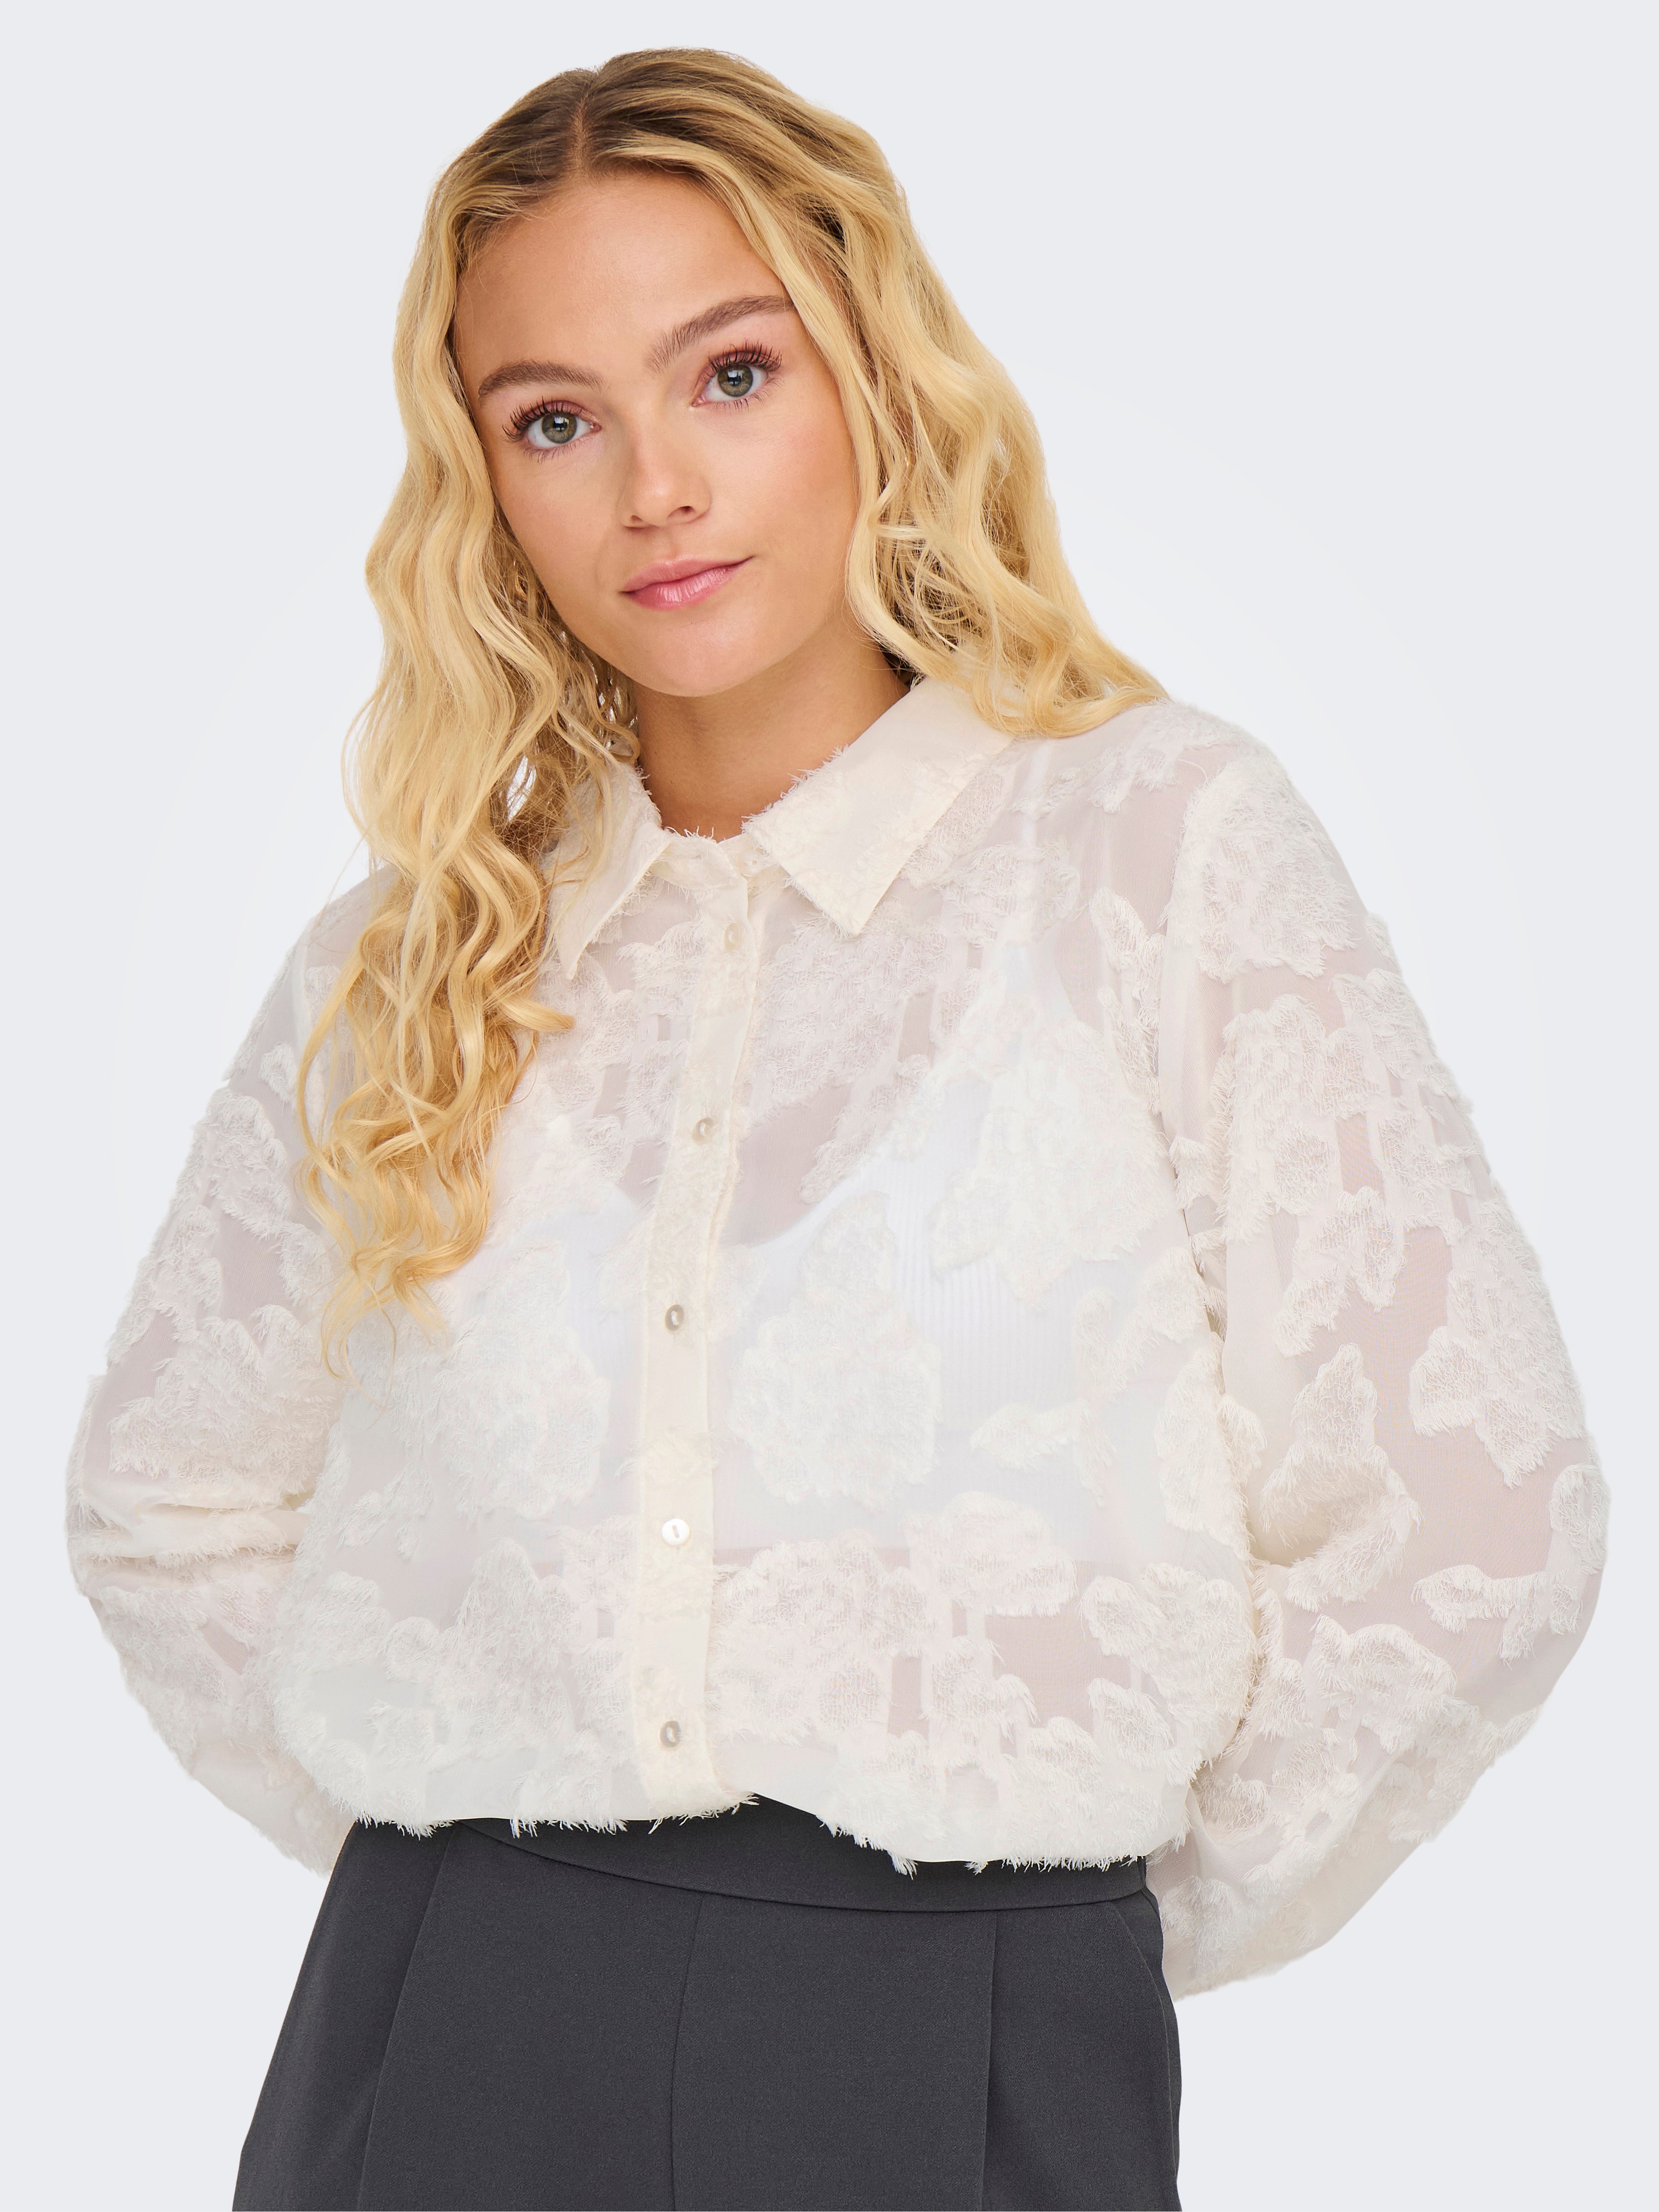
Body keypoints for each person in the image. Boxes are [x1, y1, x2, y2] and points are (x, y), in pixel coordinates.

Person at [66, 46, 1606, 2212]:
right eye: (554, 419)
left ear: (870, 374)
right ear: (482, 483)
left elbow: (1474, 1516)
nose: (654, 490)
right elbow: (164, 1503)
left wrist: (1067, 1907)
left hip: (962, 2025)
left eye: (729, 374)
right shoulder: (408, 963)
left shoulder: (1150, 851)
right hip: (443, 2034)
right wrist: (469, 1830)